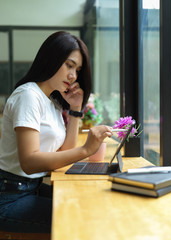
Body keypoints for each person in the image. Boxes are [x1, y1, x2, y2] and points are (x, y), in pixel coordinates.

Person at [0, 31, 113, 234]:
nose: (73, 76)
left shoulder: (51, 99)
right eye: (69, 65)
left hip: (30, 189)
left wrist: (76, 109)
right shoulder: (29, 96)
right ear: (51, 59)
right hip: (9, 197)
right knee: (81, 216)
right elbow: (29, 162)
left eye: (77, 69)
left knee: (89, 203)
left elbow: (65, 150)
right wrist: (86, 149)